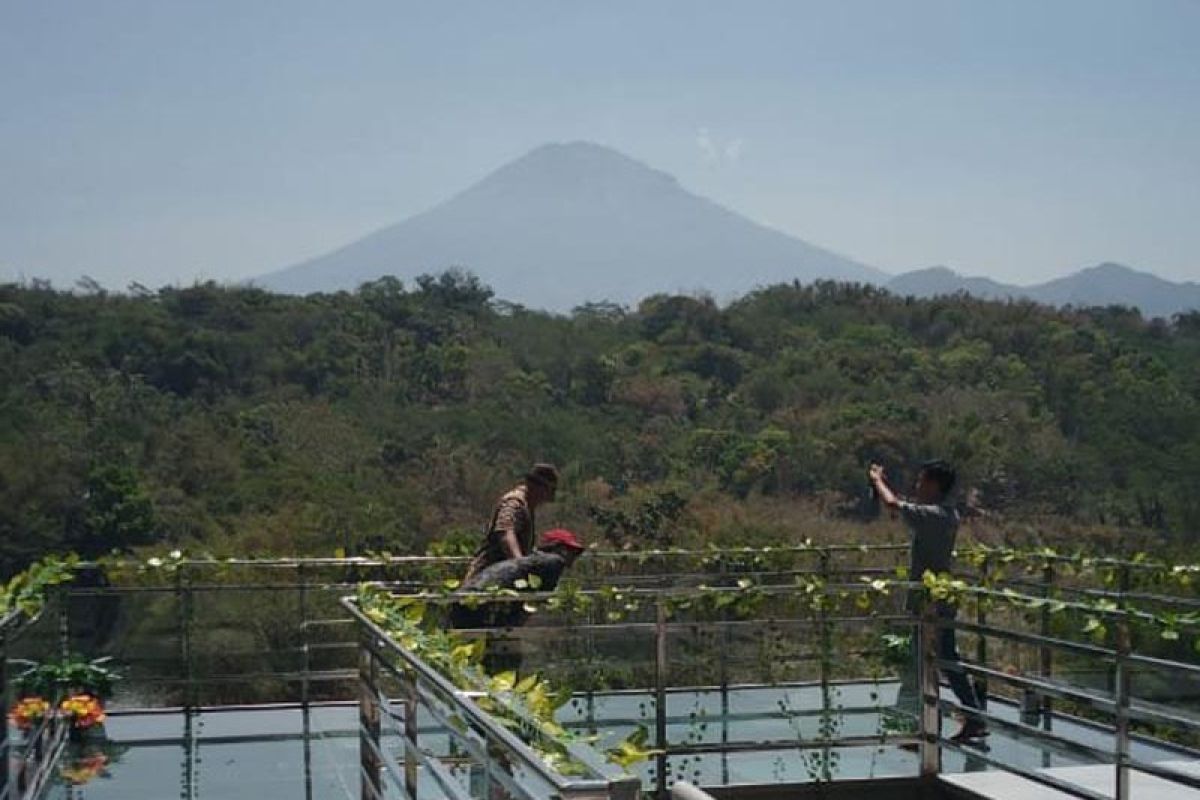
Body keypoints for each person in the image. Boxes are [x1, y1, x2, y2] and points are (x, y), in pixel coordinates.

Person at [869, 459, 987, 743]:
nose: (918, 486)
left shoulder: (934, 516)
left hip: (930, 602)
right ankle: (963, 718)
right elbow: (905, 504)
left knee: (926, 661)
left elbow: (893, 505)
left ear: (934, 485)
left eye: (922, 481)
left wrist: (877, 480)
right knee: (940, 659)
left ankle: (925, 725)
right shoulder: (947, 514)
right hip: (937, 598)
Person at [450, 529, 586, 674]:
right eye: (571, 551)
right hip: (481, 603)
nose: (573, 557)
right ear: (559, 548)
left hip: (470, 599)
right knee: (498, 659)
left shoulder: (532, 561)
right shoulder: (554, 562)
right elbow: (537, 601)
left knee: (473, 653)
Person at [462, 463, 559, 583]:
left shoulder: (528, 505)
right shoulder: (514, 503)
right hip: (488, 577)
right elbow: (506, 533)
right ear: (538, 487)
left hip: (505, 576)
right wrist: (521, 565)